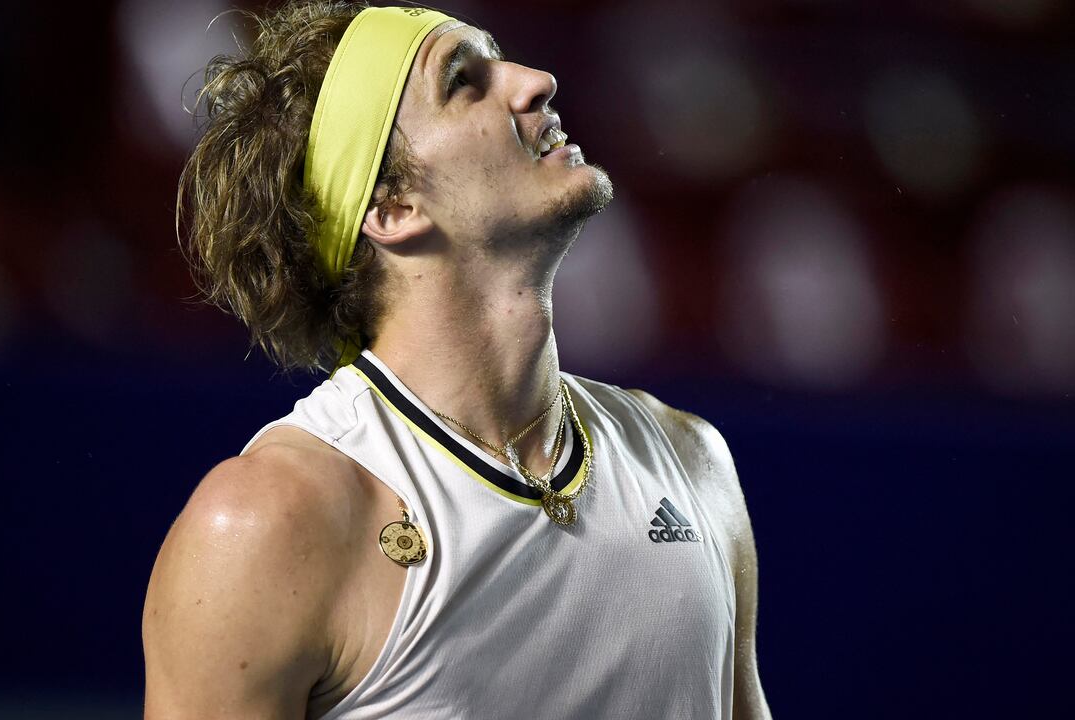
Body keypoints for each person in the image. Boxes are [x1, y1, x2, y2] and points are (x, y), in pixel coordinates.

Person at [142, 2, 771, 718]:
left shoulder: (693, 464)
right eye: (464, 81)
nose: (537, 81)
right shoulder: (267, 523)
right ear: (392, 207)